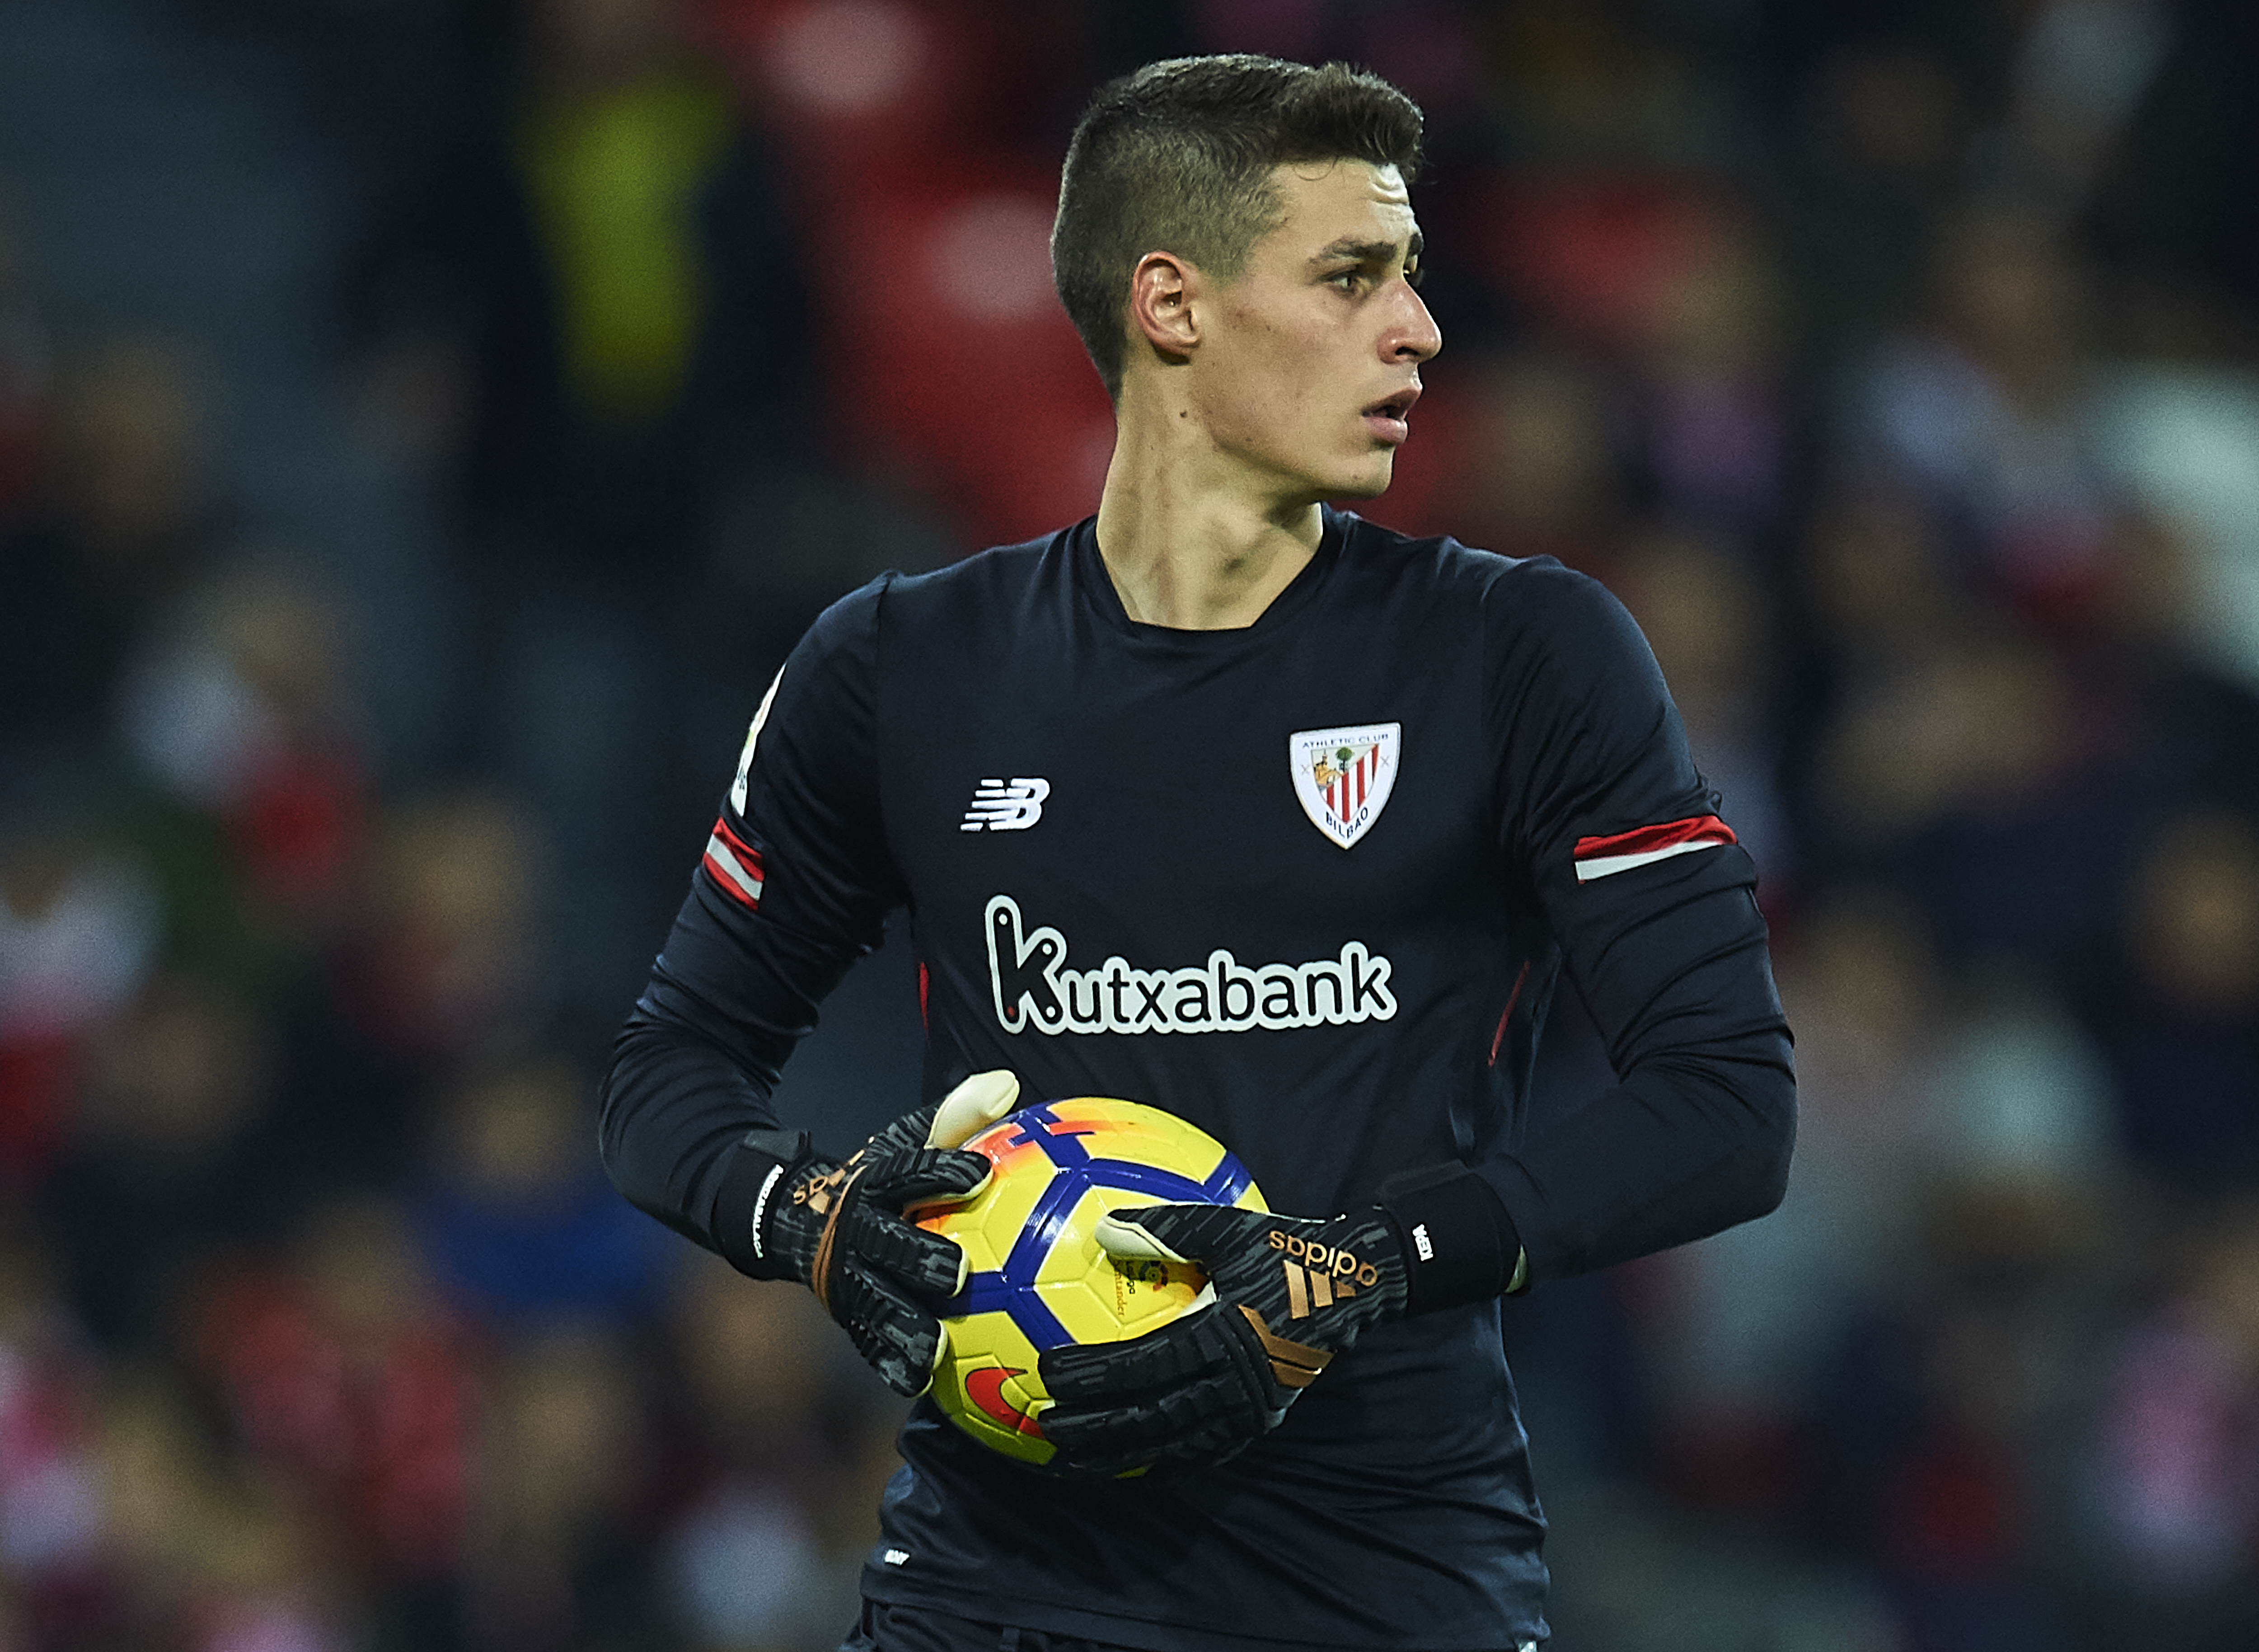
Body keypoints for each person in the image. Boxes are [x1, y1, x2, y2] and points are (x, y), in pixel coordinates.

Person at [600, 54, 1795, 1652]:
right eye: (1354, 277)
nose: (1420, 332)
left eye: (1415, 279)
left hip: (1383, 1585)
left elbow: (1725, 1106)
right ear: (1173, 303)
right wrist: (808, 1217)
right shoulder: (898, 669)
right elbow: (670, 1071)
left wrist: (1363, 1267)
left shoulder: (1523, 653)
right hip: (995, 1590)